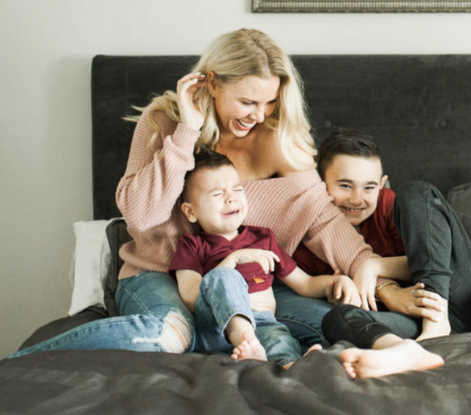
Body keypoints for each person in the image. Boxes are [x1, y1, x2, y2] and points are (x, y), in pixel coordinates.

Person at [9, 28, 384, 359]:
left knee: (338, 329)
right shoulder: (162, 122)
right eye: (248, 102)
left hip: (237, 285)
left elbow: (321, 218)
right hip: (157, 277)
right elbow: (141, 216)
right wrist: (187, 131)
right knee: (170, 338)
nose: (259, 113)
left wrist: (370, 272)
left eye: (269, 101)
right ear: (211, 83)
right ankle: (20, 362)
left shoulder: (276, 138)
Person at [292, 129, 471, 341]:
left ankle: (436, 323)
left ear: (381, 184)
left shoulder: (389, 207)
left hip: (462, 296)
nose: (356, 199)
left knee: (416, 193)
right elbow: (316, 284)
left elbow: (434, 258)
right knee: (338, 319)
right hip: (411, 317)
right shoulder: (312, 232)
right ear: (319, 184)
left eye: (369, 187)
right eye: (345, 185)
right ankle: (429, 340)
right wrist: (366, 290)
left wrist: (373, 266)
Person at [169, 148, 359, 366]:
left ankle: (290, 367)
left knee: (280, 342)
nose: (231, 199)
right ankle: (246, 339)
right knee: (225, 277)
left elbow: (304, 283)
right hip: (216, 327)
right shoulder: (192, 245)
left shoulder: (262, 238)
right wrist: (233, 260)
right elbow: (192, 297)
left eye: (237, 189)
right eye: (217, 194)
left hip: (264, 322)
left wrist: (334, 282)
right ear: (190, 212)